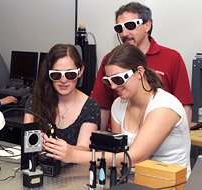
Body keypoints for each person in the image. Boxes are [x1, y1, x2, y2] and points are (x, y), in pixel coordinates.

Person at [44, 44, 191, 177]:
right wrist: (67, 149)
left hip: (170, 184)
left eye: (119, 80)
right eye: (109, 81)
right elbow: (116, 153)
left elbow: (134, 158)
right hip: (133, 181)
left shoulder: (164, 106)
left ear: (139, 72)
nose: (113, 87)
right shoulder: (118, 106)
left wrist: (74, 155)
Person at [91, 2, 193, 131]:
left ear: (147, 25)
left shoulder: (172, 58)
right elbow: (103, 105)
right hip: (121, 135)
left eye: (130, 26)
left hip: (161, 137)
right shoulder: (110, 61)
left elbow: (184, 107)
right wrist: (99, 143)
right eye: (119, 28)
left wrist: (181, 141)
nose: (124, 33)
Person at [24, 44, 100, 151]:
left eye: (70, 74)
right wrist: (35, 143)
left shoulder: (91, 106)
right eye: (56, 75)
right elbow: (26, 143)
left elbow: (84, 149)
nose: (63, 80)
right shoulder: (34, 100)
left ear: (80, 71)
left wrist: (64, 149)